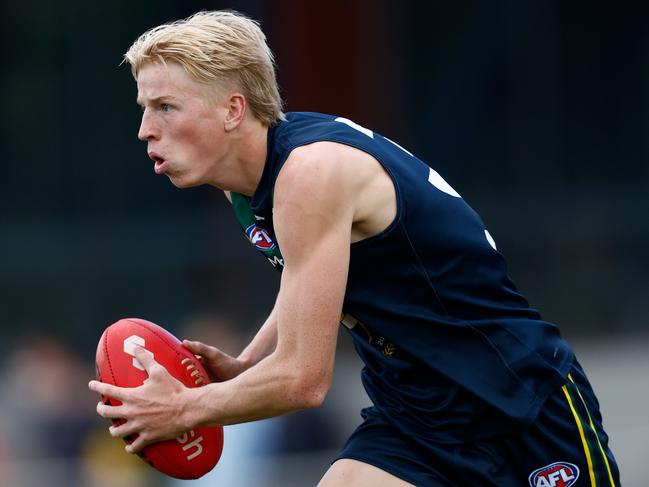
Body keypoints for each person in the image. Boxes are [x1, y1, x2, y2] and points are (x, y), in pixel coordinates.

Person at [89, 10, 620, 486]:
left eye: (165, 106)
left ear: (233, 110)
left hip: (516, 406)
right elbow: (301, 274)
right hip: (415, 417)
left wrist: (184, 409)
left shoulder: (310, 174)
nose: (144, 130)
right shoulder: (245, 182)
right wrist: (247, 363)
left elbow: (303, 380)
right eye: (144, 107)